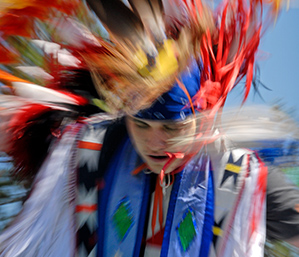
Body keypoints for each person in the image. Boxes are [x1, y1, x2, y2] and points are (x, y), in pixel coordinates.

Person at [0, 0, 299, 256]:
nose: (155, 142)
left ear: (205, 118)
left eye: (172, 128)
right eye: (141, 124)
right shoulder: (91, 151)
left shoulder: (238, 179)